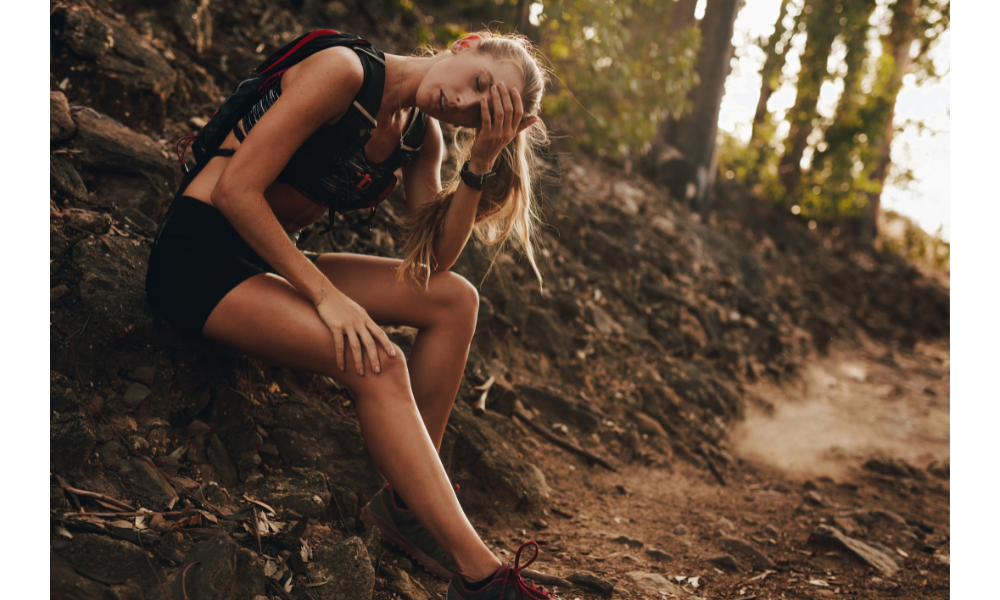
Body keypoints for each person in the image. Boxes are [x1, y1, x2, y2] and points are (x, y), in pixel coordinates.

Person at [145, 29, 555, 600]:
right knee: (380, 362)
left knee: (456, 299)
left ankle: (407, 510)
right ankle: (481, 576)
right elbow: (236, 190)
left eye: (480, 113)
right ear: (465, 45)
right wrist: (326, 296)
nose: (462, 103)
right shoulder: (343, 72)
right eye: (478, 83)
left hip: (267, 260)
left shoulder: (423, 137)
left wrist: (481, 159)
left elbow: (433, 263)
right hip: (200, 256)